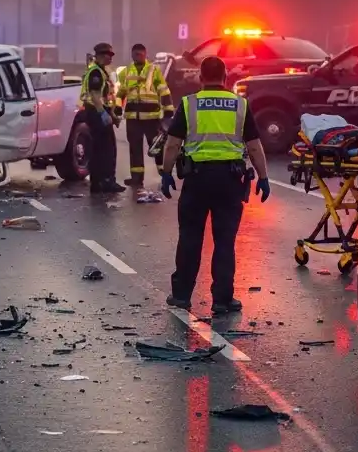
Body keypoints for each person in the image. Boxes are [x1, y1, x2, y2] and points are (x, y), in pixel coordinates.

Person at [159, 55, 270, 315]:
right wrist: (263, 177)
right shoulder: (239, 105)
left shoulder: (189, 104)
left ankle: (182, 296)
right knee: (224, 241)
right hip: (229, 181)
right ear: (225, 76)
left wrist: (166, 173)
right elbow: (254, 145)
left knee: (189, 238)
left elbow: (173, 143)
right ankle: (222, 300)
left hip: (196, 180)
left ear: (200, 76)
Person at [115, 43, 172, 186]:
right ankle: (136, 178)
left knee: (156, 146)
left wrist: (168, 110)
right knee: (135, 148)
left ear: (146, 54)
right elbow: (121, 92)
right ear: (132, 55)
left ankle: (163, 173)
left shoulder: (154, 70)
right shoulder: (126, 72)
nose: (138, 56)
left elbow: (163, 90)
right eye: (135, 54)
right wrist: (117, 106)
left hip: (151, 117)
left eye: (140, 54)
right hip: (133, 117)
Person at [81, 42, 126, 194]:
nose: (110, 58)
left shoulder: (101, 71)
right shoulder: (95, 72)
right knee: (105, 150)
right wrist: (102, 114)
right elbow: (94, 95)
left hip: (100, 112)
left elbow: (106, 97)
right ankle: (104, 182)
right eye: (108, 55)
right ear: (101, 55)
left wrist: (112, 116)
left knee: (103, 149)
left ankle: (101, 182)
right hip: (95, 113)